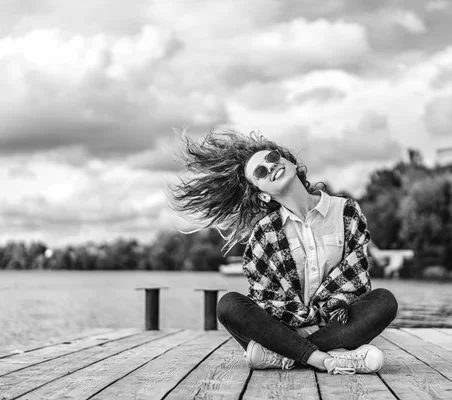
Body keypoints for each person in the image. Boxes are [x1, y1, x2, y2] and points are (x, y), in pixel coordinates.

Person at [170, 129, 398, 374]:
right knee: (228, 305)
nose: (270, 167)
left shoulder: (346, 211)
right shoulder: (264, 233)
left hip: (337, 322)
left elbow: (356, 279)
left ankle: (285, 356)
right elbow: (265, 298)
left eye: (273, 157)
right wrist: (299, 320)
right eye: (260, 172)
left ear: (291, 162)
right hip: (285, 326)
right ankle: (331, 358)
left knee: (384, 301)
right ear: (262, 194)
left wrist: (319, 318)